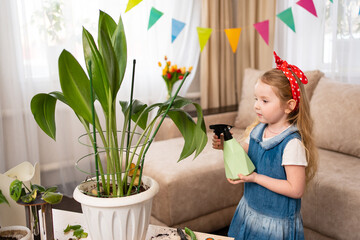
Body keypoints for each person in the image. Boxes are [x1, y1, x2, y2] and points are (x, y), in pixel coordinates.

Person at [212, 52, 318, 240]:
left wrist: (255, 178)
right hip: (250, 209)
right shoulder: (258, 130)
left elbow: (296, 189)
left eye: (265, 101)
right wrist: (225, 146)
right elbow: (242, 152)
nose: (256, 106)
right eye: (256, 99)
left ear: (289, 105)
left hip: (274, 223)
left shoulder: (292, 144)